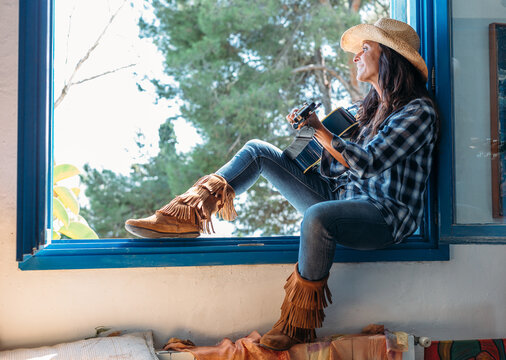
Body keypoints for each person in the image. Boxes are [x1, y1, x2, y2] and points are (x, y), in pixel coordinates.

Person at [125, 18, 438, 351]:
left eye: (365, 48)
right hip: (343, 197)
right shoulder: (364, 110)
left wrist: (322, 131)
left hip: (383, 217)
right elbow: (334, 169)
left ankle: (297, 325)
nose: (355, 57)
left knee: (317, 217)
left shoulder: (419, 112)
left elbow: (370, 162)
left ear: (388, 56)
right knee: (258, 151)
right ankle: (187, 215)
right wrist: (309, 134)